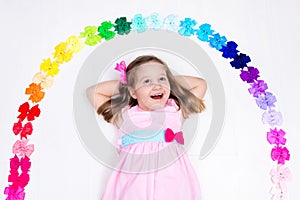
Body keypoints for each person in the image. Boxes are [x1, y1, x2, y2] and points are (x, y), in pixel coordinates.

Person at [86, 55, 207, 200]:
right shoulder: (124, 114)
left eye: (162, 79)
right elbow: (93, 91)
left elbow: (201, 84)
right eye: (147, 81)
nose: (157, 86)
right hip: (133, 181)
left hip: (172, 180)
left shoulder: (176, 109)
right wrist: (129, 83)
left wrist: (170, 81)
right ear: (133, 92)